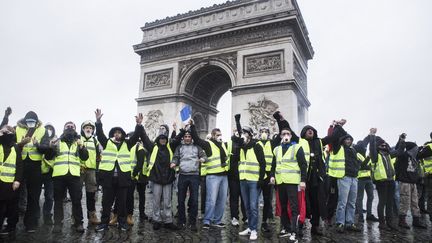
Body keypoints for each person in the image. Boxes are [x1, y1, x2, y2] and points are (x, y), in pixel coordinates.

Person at [94, 109, 143, 232]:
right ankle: (104, 223)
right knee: (106, 203)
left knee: (122, 203)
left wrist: (138, 125)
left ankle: (122, 223)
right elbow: (99, 134)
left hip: (123, 178)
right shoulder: (107, 143)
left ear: (122, 134)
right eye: (115, 133)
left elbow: (137, 135)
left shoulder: (128, 143)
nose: (117, 134)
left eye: (119, 133)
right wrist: (98, 121)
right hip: (108, 178)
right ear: (113, 134)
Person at [141, 122, 183, 230]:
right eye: (161, 139)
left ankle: (168, 220)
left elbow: (177, 138)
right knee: (156, 201)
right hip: (156, 178)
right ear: (158, 140)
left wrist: (182, 130)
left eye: (165, 139)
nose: (163, 140)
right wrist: (140, 126)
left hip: (168, 178)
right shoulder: (153, 147)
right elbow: (145, 138)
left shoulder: (170, 147)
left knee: (168, 201)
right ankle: (157, 220)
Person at [48, 122, 89, 233]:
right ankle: (57, 224)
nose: (70, 128)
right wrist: (50, 147)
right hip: (59, 175)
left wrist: (82, 146)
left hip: (74, 175)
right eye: (68, 126)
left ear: (75, 129)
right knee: (58, 200)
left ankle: (79, 223)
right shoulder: (58, 141)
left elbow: (85, 157)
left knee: (76, 200)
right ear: (64, 129)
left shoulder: (79, 142)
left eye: (72, 127)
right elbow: (48, 156)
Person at [270, 123, 307, 242]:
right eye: (284, 134)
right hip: (280, 182)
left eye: (288, 134)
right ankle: (286, 228)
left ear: (291, 136)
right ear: (280, 136)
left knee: (294, 207)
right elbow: (273, 165)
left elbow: (303, 165)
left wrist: (303, 181)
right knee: (283, 206)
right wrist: (272, 176)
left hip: (292, 182)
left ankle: (294, 231)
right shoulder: (276, 149)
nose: (286, 135)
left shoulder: (297, 147)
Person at [190, 121, 230, 229]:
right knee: (211, 200)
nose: (220, 137)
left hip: (224, 176)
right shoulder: (208, 144)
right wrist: (193, 126)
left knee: (222, 200)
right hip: (213, 176)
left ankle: (217, 220)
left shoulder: (223, 145)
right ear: (212, 135)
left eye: (220, 135)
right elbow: (197, 139)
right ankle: (207, 220)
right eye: (217, 135)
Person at [15, 111, 50, 232]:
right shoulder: (17, 129)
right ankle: (12, 223)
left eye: (33, 122)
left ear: (36, 122)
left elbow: (46, 148)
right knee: (15, 194)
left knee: (33, 196)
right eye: (29, 121)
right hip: (20, 164)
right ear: (25, 121)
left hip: (35, 166)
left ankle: (31, 223)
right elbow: (10, 145)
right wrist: (20, 144)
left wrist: (37, 144)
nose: (31, 124)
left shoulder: (43, 130)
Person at [233, 114, 266, 241]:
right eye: (243, 133)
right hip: (243, 180)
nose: (243, 135)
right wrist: (237, 122)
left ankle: (253, 230)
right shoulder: (241, 147)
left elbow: (262, 163)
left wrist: (261, 179)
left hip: (254, 180)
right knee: (247, 207)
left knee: (253, 206)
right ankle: (250, 227)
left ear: (250, 135)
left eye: (246, 133)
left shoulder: (257, 145)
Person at [327, 120, 362, 233]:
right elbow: (334, 136)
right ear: (342, 140)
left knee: (352, 202)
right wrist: (338, 126)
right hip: (344, 177)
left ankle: (349, 222)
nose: (348, 140)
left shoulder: (353, 149)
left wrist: (357, 169)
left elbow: (357, 162)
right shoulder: (338, 148)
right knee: (342, 202)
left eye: (350, 139)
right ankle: (340, 223)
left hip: (354, 178)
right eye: (346, 139)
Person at [170, 129, 206, 231]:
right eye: (185, 136)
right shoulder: (179, 147)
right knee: (181, 200)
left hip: (194, 176)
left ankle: (192, 222)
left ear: (191, 138)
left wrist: (202, 159)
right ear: (183, 138)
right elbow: (176, 157)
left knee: (194, 200)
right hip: (182, 175)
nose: (187, 138)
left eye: (189, 136)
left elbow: (204, 156)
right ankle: (181, 221)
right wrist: (174, 162)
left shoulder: (197, 147)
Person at [368, 128, 399, 231]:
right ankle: (382, 223)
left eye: (385, 145)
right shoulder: (375, 155)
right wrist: (372, 135)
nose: (384, 146)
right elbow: (372, 147)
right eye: (382, 145)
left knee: (390, 203)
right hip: (381, 182)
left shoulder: (389, 155)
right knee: (382, 202)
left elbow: (399, 150)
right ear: (378, 146)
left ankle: (389, 222)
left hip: (391, 181)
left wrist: (401, 140)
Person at [394, 134, 427, 229]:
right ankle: (402, 221)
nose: (417, 150)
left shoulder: (415, 157)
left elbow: (423, 151)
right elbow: (398, 150)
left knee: (415, 201)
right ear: (411, 149)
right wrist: (401, 140)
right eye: (415, 148)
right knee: (405, 201)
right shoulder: (403, 156)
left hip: (413, 182)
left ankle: (416, 220)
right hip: (404, 182)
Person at [0, 125, 23, 238]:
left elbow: (19, 165)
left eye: (7, 131)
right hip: (0, 181)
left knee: (12, 207)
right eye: (3, 130)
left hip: (11, 182)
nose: (4, 132)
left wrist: (17, 180)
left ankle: (11, 227)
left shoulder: (15, 147)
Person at [79, 120, 101, 225]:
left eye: (90, 128)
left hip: (91, 170)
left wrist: (97, 168)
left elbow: (98, 156)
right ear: (83, 129)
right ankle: (75, 216)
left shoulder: (95, 141)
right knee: (77, 193)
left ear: (92, 130)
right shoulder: (78, 139)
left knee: (91, 193)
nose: (88, 129)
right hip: (79, 169)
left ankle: (92, 215)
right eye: (86, 127)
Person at [355, 140, 379, 223]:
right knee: (360, 198)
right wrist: (368, 159)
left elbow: (369, 167)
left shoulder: (365, 155)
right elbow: (361, 166)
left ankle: (369, 215)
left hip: (368, 179)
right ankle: (360, 216)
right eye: (363, 147)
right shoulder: (356, 154)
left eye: (365, 147)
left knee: (371, 197)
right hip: (360, 179)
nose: (364, 148)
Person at [227, 129, 247, 226]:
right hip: (233, 175)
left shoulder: (244, 143)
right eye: (235, 131)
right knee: (234, 198)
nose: (237, 133)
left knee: (244, 198)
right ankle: (234, 217)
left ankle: (246, 217)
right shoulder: (229, 143)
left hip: (244, 175)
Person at [41, 123, 57, 225]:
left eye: (50, 129)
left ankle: (47, 216)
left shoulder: (56, 142)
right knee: (34, 195)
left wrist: (52, 147)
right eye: (46, 128)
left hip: (50, 172)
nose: (48, 130)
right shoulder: (39, 139)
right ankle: (35, 216)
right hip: (38, 171)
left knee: (49, 196)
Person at [419, 133, 432, 221]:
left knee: (430, 197)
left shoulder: (428, 147)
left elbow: (419, 156)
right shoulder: (429, 147)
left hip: (429, 176)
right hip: (430, 176)